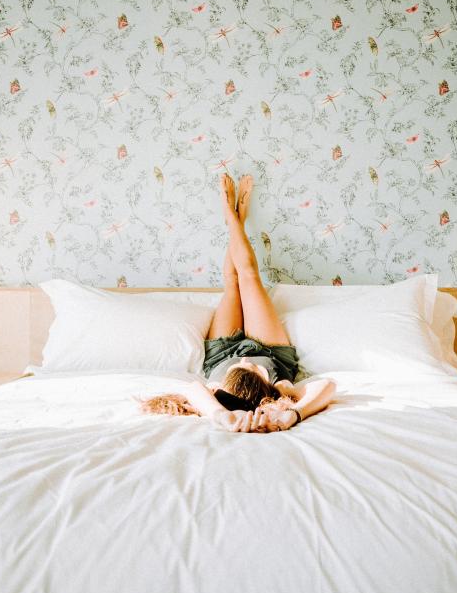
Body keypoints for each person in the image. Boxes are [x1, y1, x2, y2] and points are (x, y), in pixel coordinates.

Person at [141, 174, 335, 433]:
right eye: (252, 368)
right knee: (248, 277)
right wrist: (294, 414)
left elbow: (193, 389)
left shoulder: (217, 392)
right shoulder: (280, 390)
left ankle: (232, 218)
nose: (244, 359)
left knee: (231, 282)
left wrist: (221, 416)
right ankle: (236, 220)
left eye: (242, 366)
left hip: (222, 353)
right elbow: (328, 386)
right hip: (270, 350)